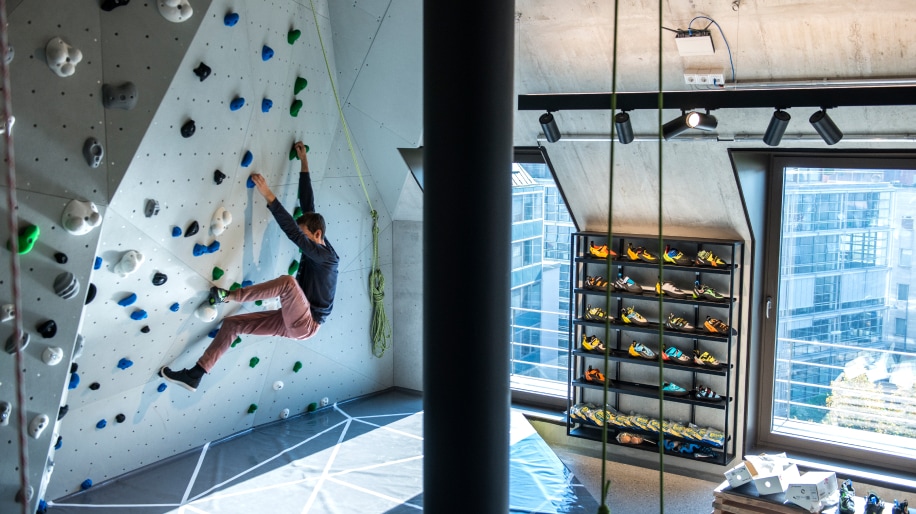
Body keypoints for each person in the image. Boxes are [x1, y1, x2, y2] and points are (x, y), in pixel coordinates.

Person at [160, 141, 339, 392]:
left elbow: (294, 235)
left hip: (306, 324)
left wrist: (268, 194)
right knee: (234, 325)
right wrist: (304, 161)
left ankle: (229, 295)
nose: (302, 242)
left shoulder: (327, 257)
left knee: (288, 283)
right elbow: (308, 205)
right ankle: (196, 374)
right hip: (294, 320)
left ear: (317, 234)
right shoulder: (321, 243)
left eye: (305, 236)